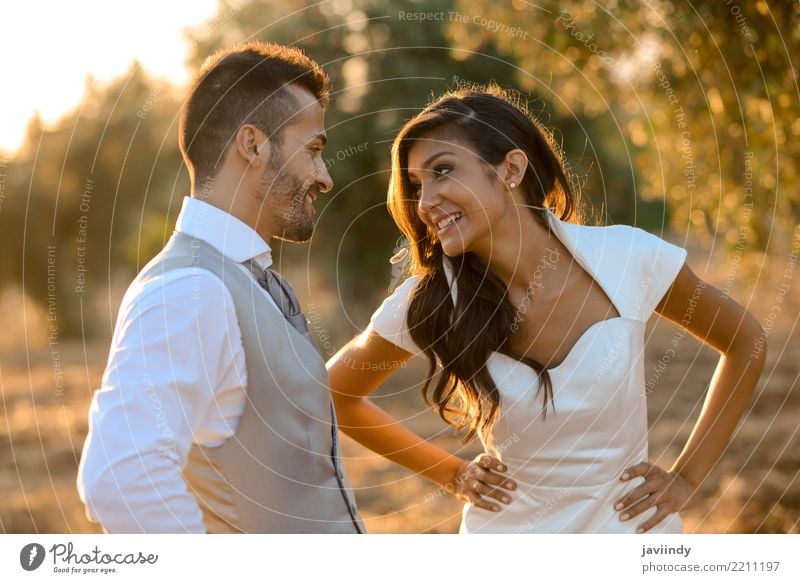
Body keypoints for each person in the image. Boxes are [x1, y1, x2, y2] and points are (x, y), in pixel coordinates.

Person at [327, 85, 767, 534]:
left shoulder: (629, 259)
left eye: (443, 171)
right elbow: (333, 395)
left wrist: (687, 477)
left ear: (511, 169)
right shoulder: (430, 302)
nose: (424, 204)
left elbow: (745, 341)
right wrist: (451, 473)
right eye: (418, 185)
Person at [77, 42, 365, 534]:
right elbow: (121, 479)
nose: (324, 176)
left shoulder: (237, 278)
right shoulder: (188, 290)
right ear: (252, 145)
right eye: (313, 150)